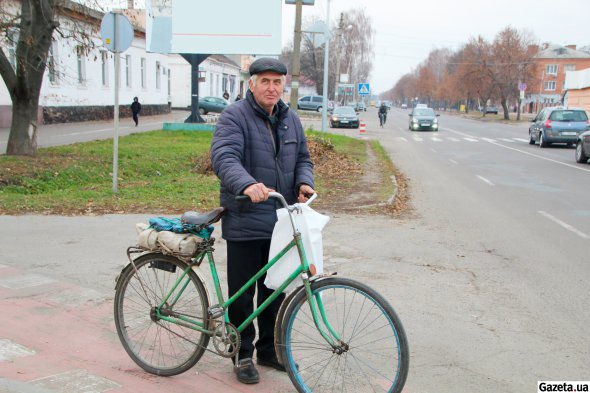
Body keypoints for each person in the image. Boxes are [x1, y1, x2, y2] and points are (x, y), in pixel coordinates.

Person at [210, 57, 315, 385]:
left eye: (277, 82)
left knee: (275, 291)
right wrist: (246, 184)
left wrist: (303, 181)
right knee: (242, 295)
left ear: (283, 85)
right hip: (245, 219)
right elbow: (223, 157)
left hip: (281, 220)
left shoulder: (290, 119)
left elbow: (302, 158)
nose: (272, 88)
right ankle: (242, 354)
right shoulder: (234, 117)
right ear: (251, 84)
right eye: (265, 81)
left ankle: (269, 350)